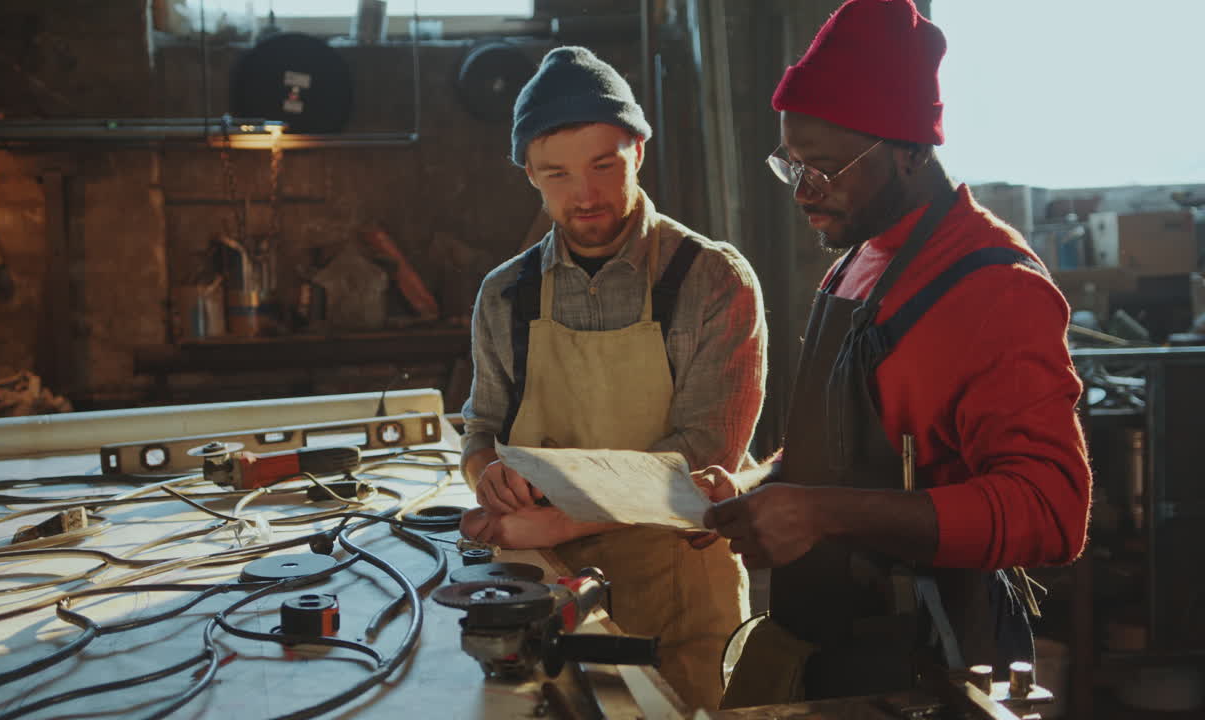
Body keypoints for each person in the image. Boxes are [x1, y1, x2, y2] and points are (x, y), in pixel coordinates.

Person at [695, 0, 1092, 707]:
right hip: (830, 648)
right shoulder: (855, 263)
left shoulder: (994, 288)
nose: (803, 193)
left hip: (930, 667)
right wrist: (756, 489)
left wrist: (823, 513)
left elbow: (1051, 509)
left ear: (910, 150)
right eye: (792, 165)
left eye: (825, 168)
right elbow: (842, 450)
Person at [458, 46, 768, 710]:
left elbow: (702, 456)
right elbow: (480, 427)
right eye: (557, 174)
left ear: (639, 151)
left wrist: (555, 523)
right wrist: (488, 475)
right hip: (544, 596)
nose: (586, 195)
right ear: (529, 174)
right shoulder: (504, 295)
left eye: (605, 165)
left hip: (680, 604)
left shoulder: (714, 281)